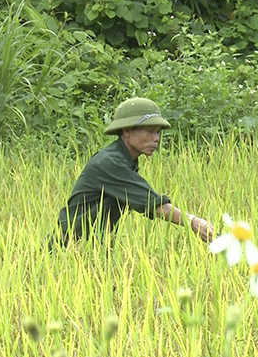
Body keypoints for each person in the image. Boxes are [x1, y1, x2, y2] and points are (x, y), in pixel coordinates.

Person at [52, 97, 214, 248]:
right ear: (127, 131)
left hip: (90, 246)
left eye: (158, 132)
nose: (156, 138)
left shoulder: (125, 160)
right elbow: (153, 204)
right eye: (150, 130)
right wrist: (192, 221)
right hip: (68, 247)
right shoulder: (110, 163)